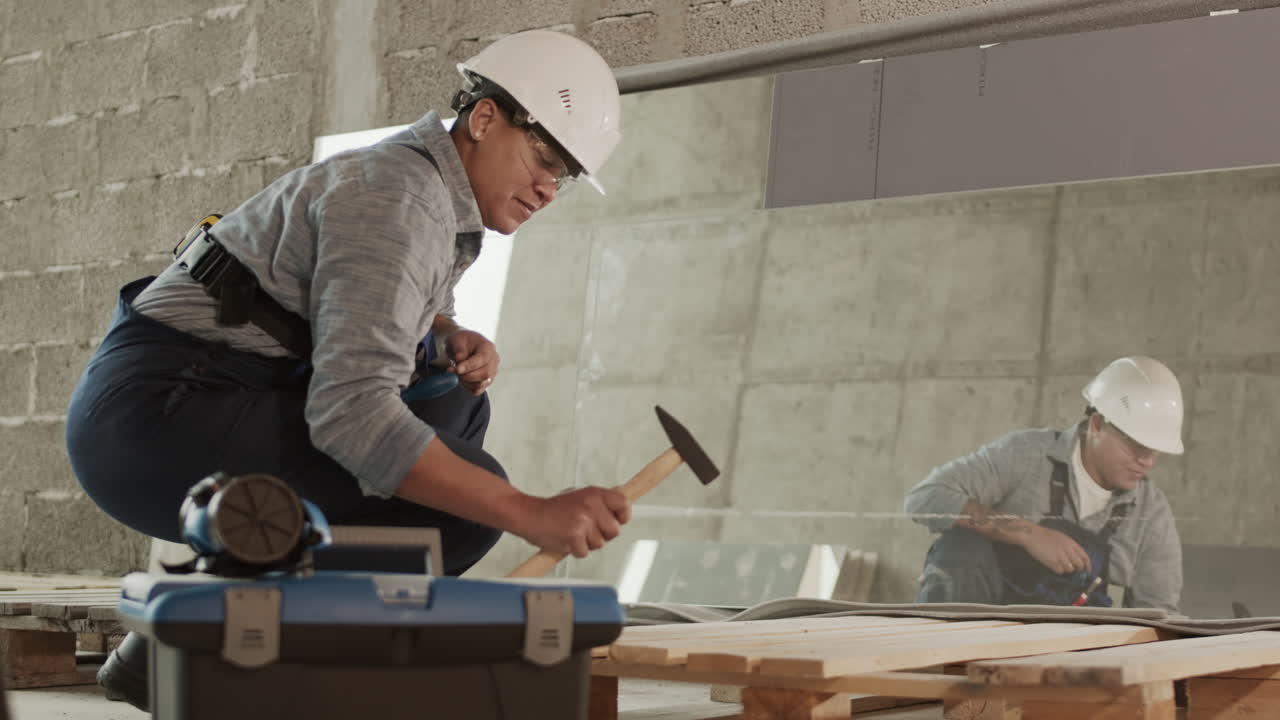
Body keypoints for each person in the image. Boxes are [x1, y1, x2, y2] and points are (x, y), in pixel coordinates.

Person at [65, 30, 630, 710]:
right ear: (485, 118)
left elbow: (370, 298)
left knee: (454, 404)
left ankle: (221, 632)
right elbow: (351, 415)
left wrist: (444, 333)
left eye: (564, 175)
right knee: (464, 512)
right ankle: (220, 646)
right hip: (156, 422)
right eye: (544, 157)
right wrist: (531, 514)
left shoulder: (429, 191)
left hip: (197, 396)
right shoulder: (398, 198)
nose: (548, 188)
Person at [903, 356, 1184, 612]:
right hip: (977, 631)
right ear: (1097, 425)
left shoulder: (1151, 512)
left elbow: (1158, 612)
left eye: (1155, 452)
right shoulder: (1026, 455)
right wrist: (1028, 533)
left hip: (1069, 645)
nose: (1147, 462)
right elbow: (925, 498)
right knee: (960, 548)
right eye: (1136, 447)